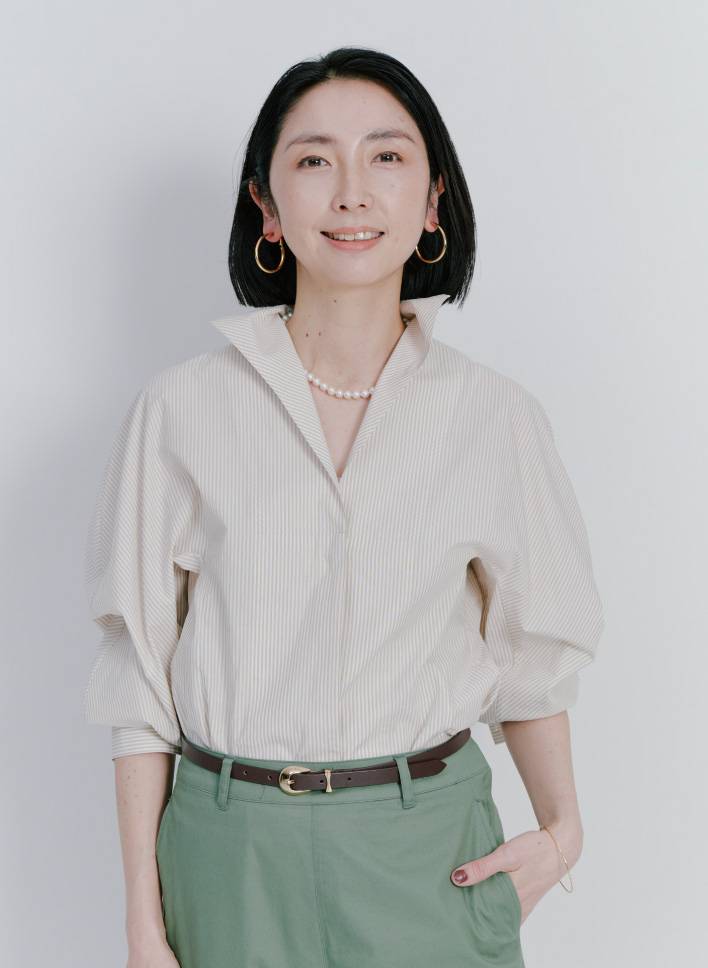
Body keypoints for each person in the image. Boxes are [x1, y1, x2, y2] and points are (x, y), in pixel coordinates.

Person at [83, 46, 605, 968]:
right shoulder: (181, 410)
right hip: (229, 853)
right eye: (316, 160)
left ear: (433, 202)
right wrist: (142, 923)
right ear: (267, 206)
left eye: (387, 157)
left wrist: (563, 831)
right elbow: (141, 680)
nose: (353, 192)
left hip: (427, 852)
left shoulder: (495, 417)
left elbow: (533, 656)